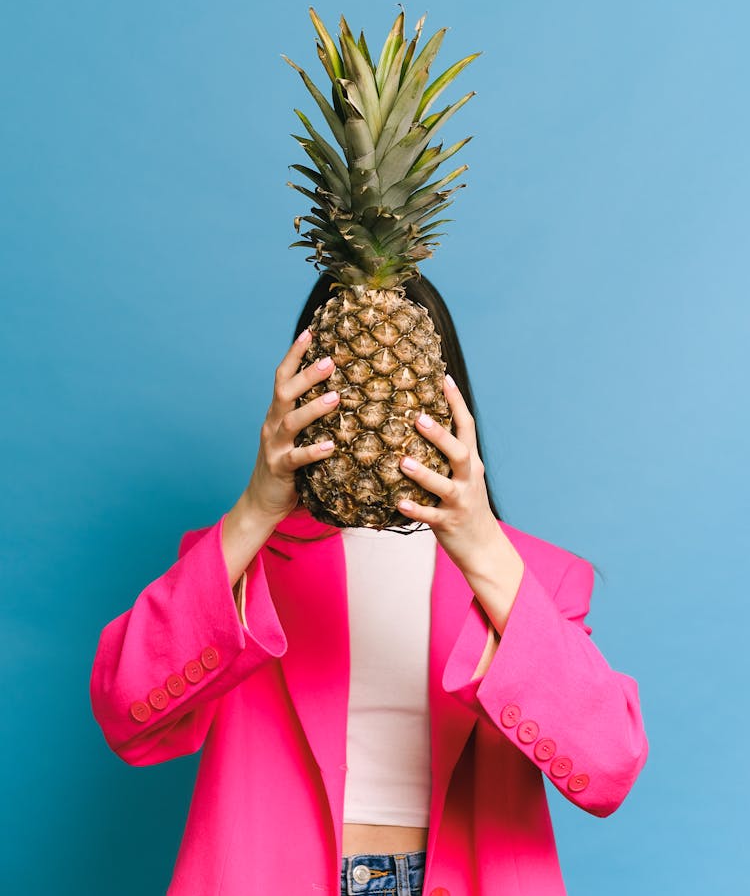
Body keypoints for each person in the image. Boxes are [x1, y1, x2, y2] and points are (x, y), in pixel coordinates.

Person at [90, 274, 649, 896]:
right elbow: (124, 713)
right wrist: (254, 510)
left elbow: (609, 767)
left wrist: (485, 546)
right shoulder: (238, 560)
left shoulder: (533, 577)